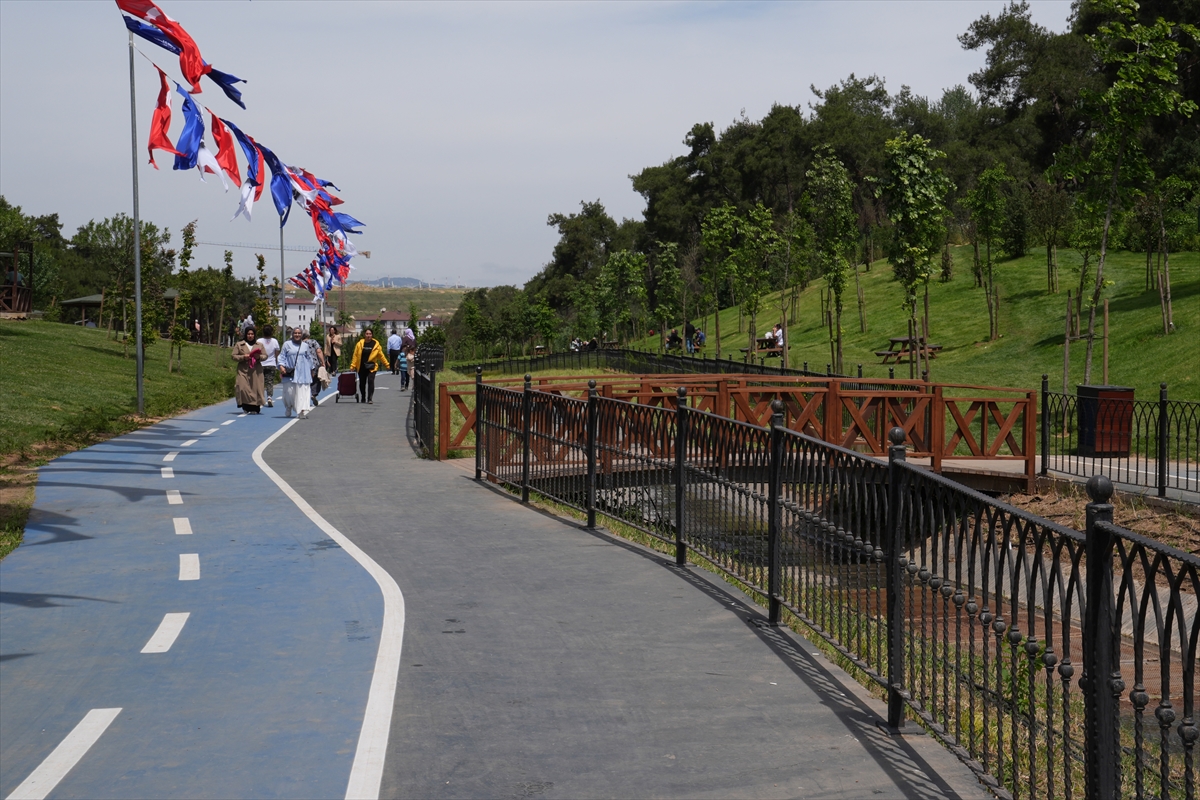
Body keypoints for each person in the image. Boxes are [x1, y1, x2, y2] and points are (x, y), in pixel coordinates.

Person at [279, 325, 316, 419]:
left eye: (299, 333)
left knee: (303, 392)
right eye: (295, 333)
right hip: (290, 372)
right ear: (292, 334)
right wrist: (281, 366)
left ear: (302, 335)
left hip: (303, 373)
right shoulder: (287, 344)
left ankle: (302, 411)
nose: (297, 335)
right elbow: (282, 356)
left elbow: (309, 358)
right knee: (290, 393)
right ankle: (289, 406)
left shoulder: (305, 346)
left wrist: (312, 369)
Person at [231, 326, 265, 414]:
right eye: (248, 334)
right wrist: (243, 357)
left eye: (252, 334)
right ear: (246, 335)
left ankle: (255, 406)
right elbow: (233, 356)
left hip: (255, 370)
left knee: (255, 388)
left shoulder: (259, 345)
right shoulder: (239, 344)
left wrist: (259, 357)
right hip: (243, 370)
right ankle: (245, 405)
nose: (250, 336)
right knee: (242, 387)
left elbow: (265, 355)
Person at [350, 328, 389, 404]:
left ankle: (370, 398)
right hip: (361, 367)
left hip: (371, 367)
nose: (368, 335)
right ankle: (363, 397)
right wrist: (353, 365)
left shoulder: (376, 345)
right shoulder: (359, 344)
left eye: (370, 334)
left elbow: (381, 356)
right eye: (367, 334)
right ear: (365, 335)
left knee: (371, 381)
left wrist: (386, 364)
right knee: (362, 383)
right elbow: (355, 355)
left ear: (372, 335)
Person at [257, 324, 281, 408]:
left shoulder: (259, 341)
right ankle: (270, 397)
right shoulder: (274, 341)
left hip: (261, 364)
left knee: (260, 382)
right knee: (269, 382)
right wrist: (277, 363)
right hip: (271, 364)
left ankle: (260, 398)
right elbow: (277, 353)